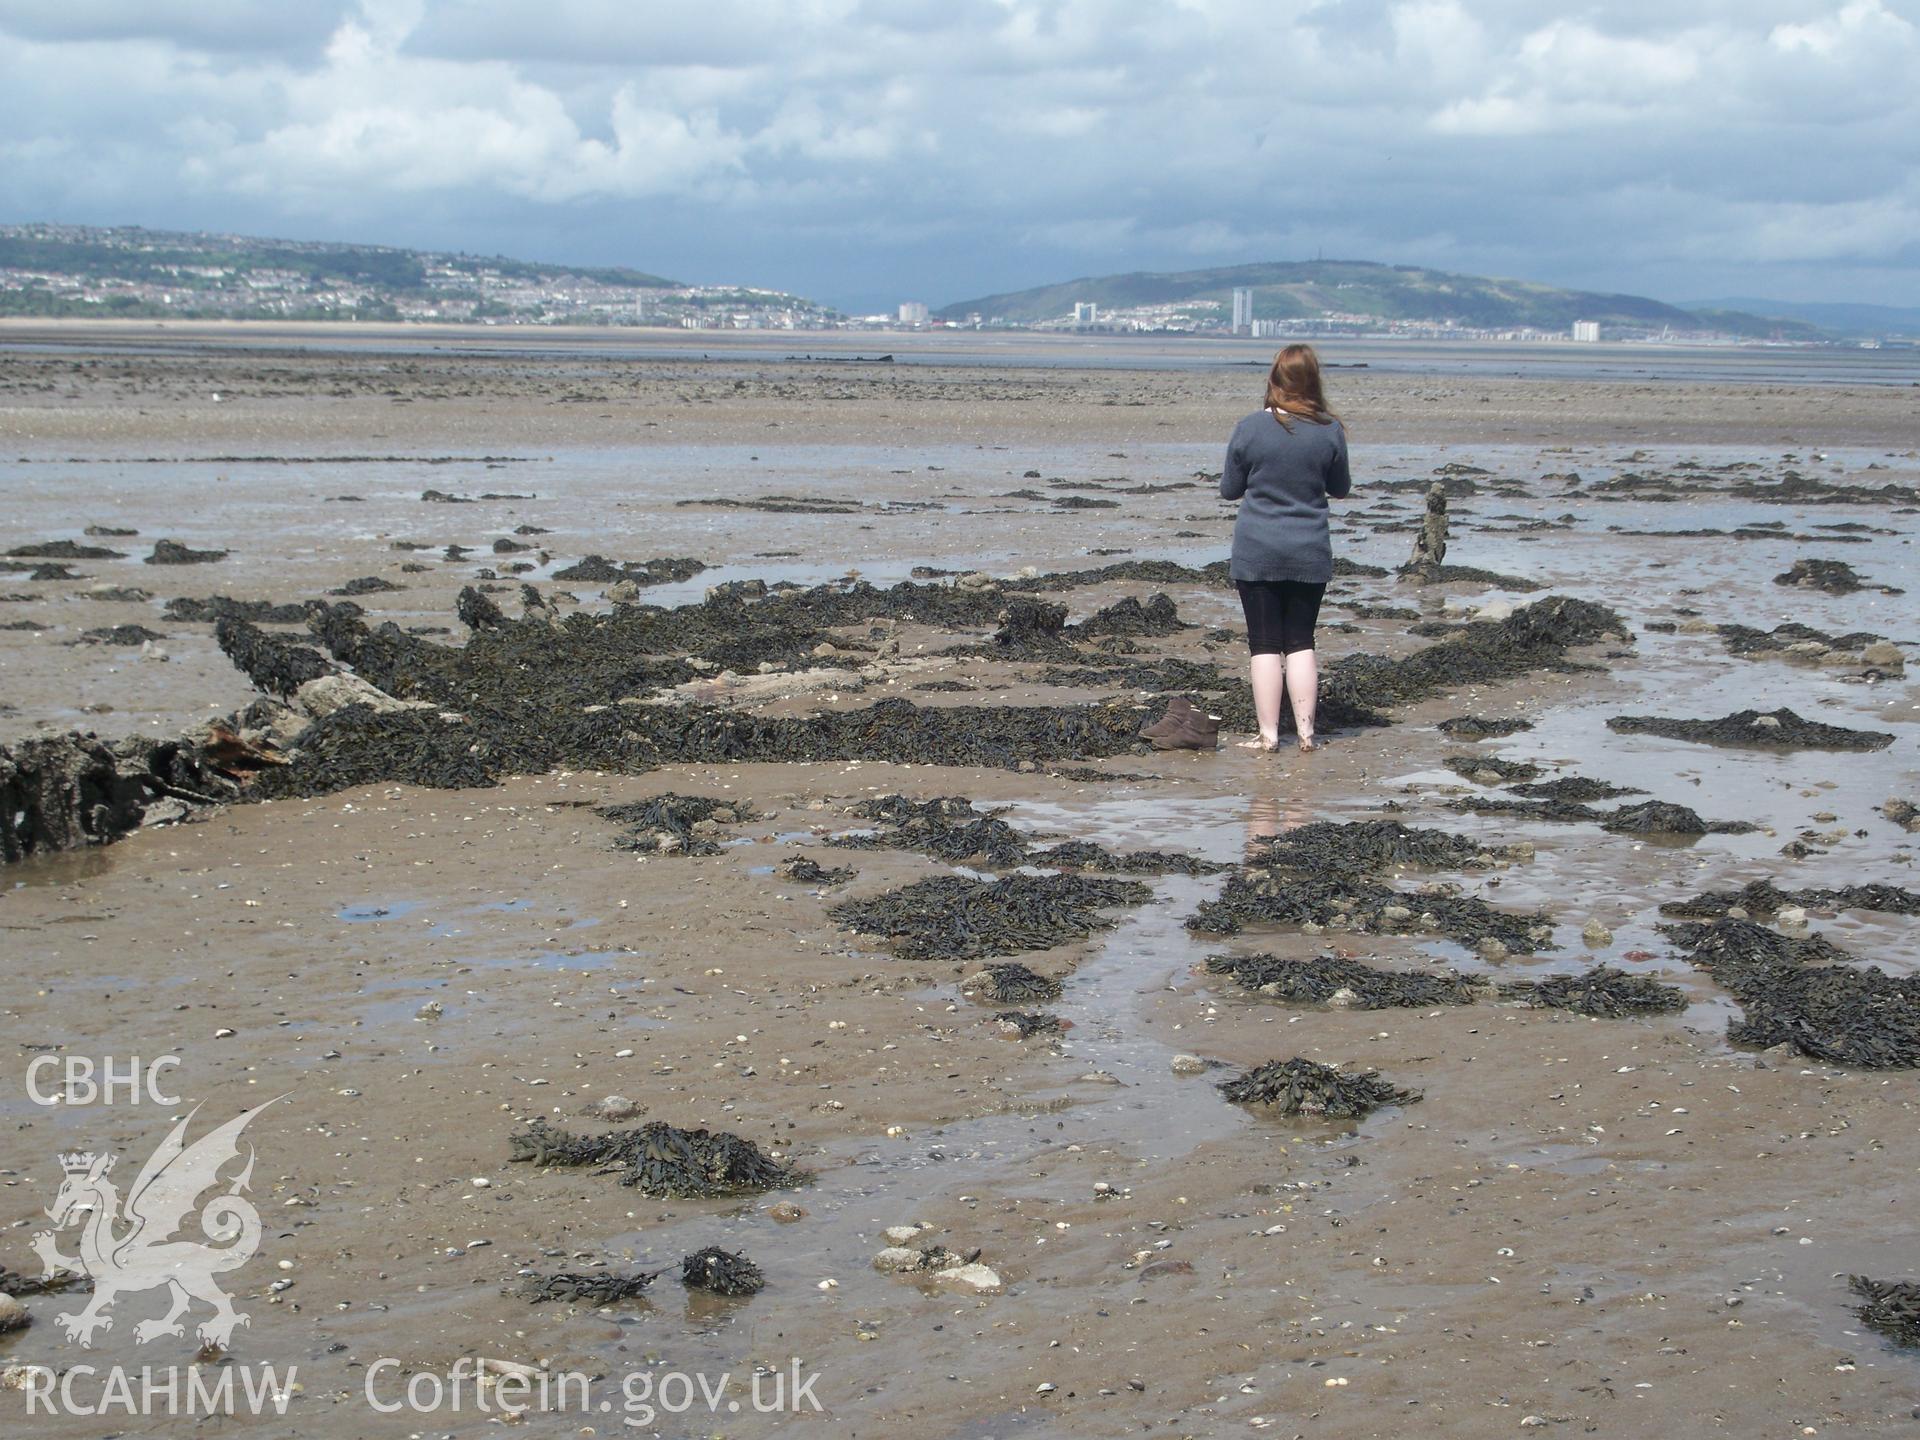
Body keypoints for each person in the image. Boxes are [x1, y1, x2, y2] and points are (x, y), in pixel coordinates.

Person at [1220, 344, 1351, 752]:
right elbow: (1340, 488)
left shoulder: (1249, 428)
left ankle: (1270, 735)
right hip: (1309, 549)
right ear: (1313, 381)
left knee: (1263, 644)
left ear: (1274, 380)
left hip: (1257, 549)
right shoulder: (1329, 430)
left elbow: (1229, 490)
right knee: (1300, 642)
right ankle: (1307, 734)